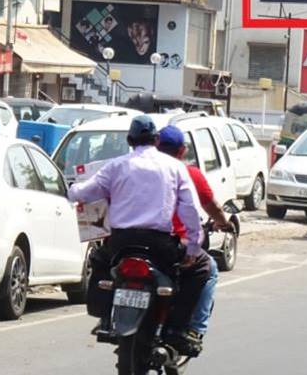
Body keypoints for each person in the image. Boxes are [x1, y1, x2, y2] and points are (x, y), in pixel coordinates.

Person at [68, 115, 209, 355]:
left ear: (129, 140)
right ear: (156, 140)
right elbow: (191, 211)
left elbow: (83, 193)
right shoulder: (175, 167)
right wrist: (193, 249)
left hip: (120, 243)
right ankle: (176, 329)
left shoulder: (116, 166)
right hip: (159, 245)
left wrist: (71, 189)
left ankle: (104, 318)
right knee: (201, 267)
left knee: (98, 261)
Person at [155, 126, 233, 354]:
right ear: (182, 151)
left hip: (129, 240)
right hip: (169, 242)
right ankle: (193, 329)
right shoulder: (187, 173)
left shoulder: (134, 168)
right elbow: (210, 207)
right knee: (208, 268)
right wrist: (224, 222)